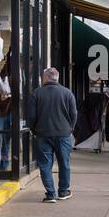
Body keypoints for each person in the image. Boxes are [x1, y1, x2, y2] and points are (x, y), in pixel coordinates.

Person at [27, 67, 77, 203]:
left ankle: (50, 194)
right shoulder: (67, 93)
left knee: (45, 165)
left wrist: (34, 130)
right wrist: (69, 129)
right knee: (64, 164)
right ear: (57, 78)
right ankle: (63, 191)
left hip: (43, 134)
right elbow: (74, 114)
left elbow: (31, 117)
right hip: (63, 134)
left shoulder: (36, 94)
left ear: (45, 78)